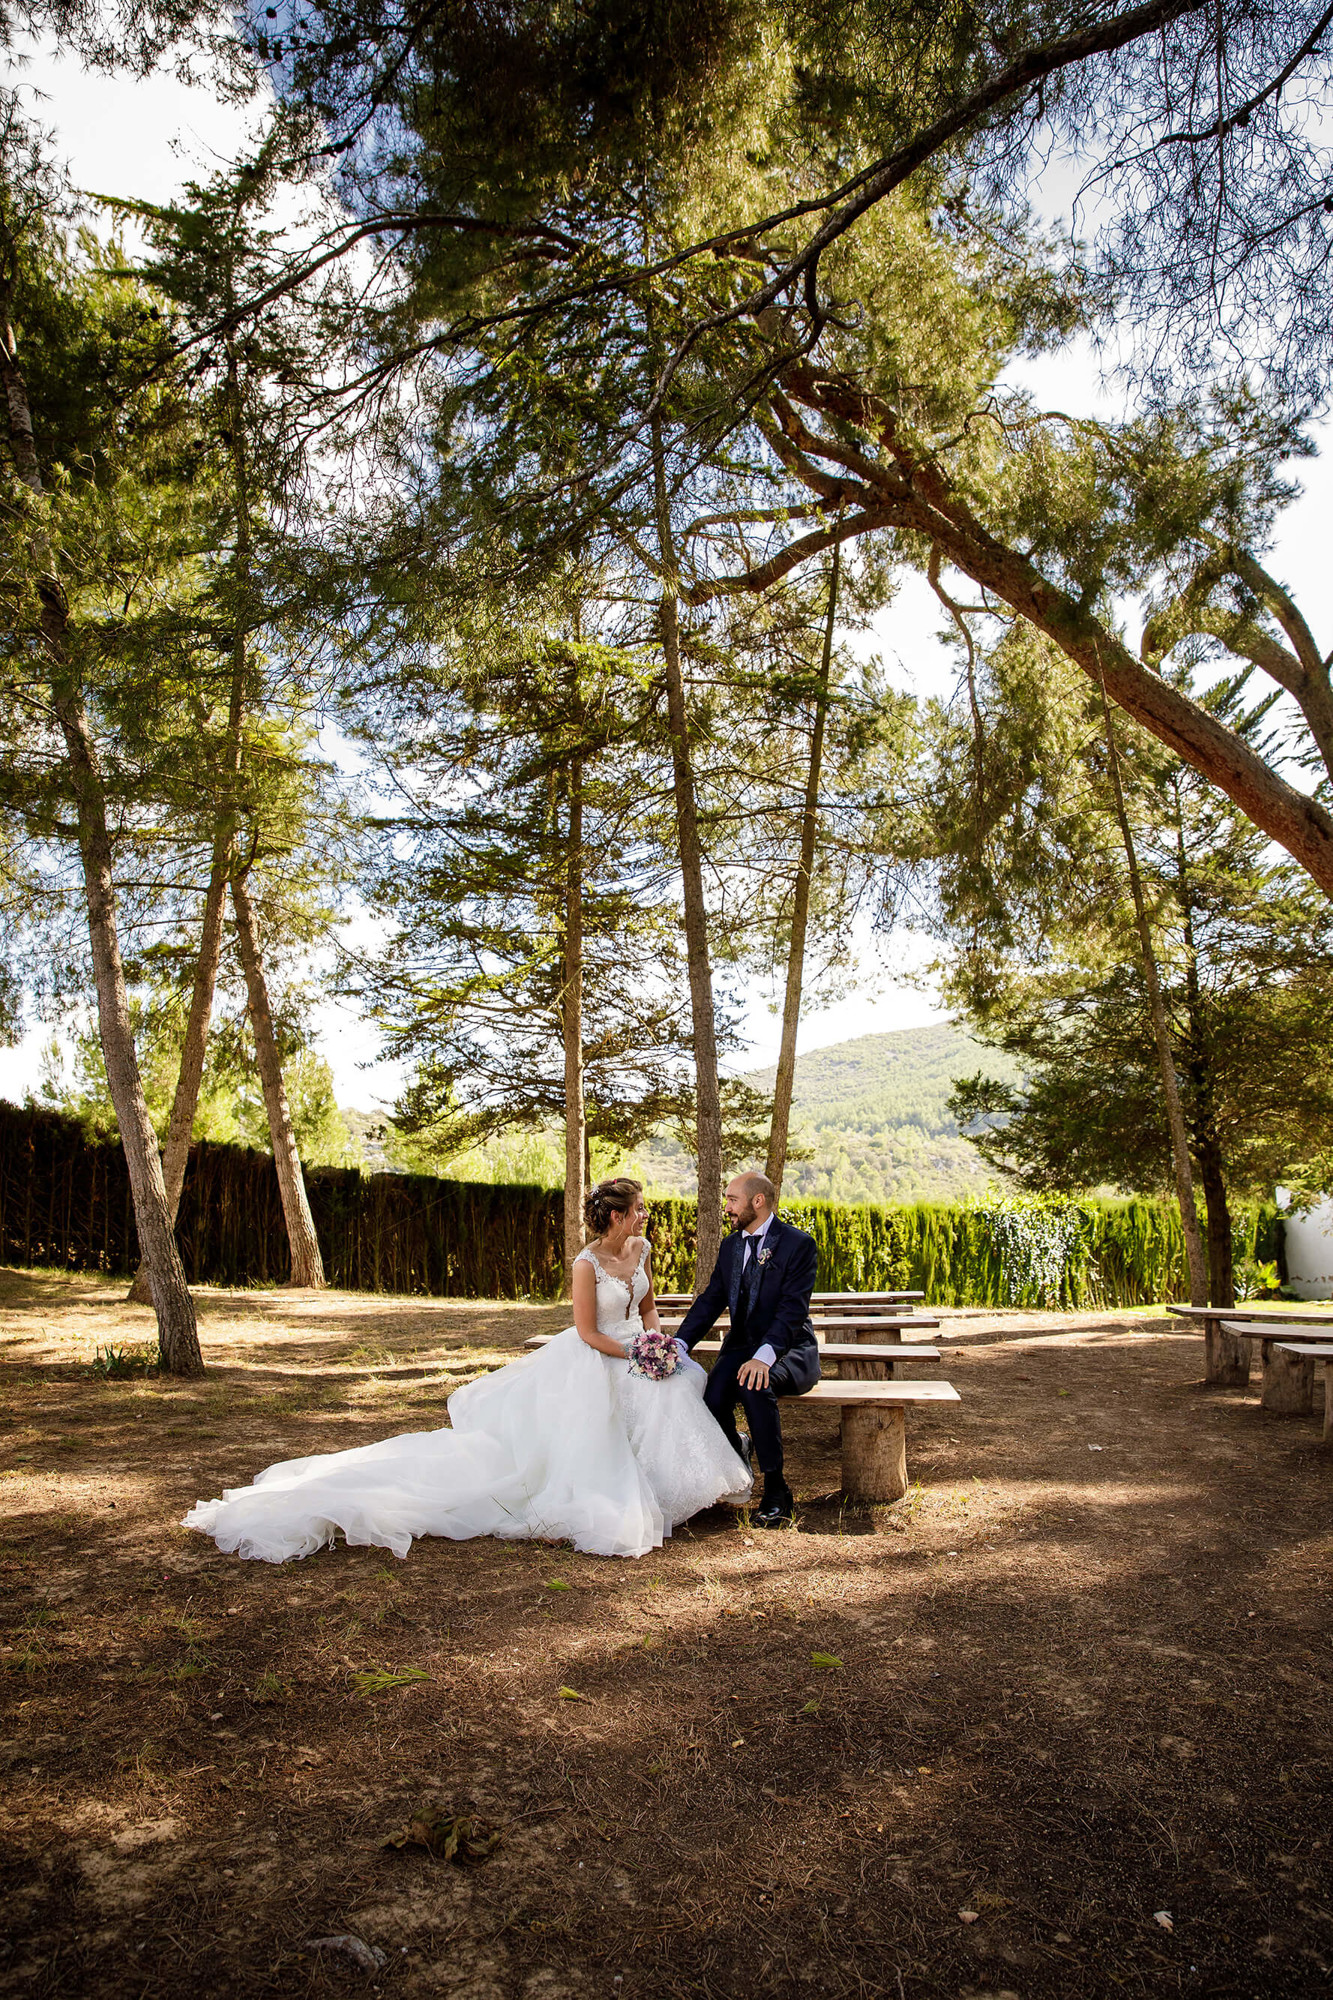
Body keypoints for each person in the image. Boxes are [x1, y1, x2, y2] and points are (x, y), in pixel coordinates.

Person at [182, 1177, 750, 1564]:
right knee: (616, 1415)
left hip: (638, 1347)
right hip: (598, 1354)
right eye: (640, 1210)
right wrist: (634, 1356)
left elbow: (646, 1308)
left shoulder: (642, 1250)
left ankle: (677, 1493)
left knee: (678, 1389)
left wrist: (660, 1344)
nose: (646, 1217)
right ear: (618, 1216)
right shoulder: (586, 1263)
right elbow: (587, 1332)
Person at [675, 1172, 819, 1528]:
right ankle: (737, 1444)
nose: (727, 1208)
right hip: (741, 1348)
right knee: (710, 1396)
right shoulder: (731, 1246)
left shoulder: (798, 1245)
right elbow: (711, 1300)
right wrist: (679, 1343)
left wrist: (763, 1357)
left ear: (758, 1201)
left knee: (754, 1384)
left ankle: (776, 1490)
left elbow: (791, 1312)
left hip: (789, 1350)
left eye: (732, 1200)